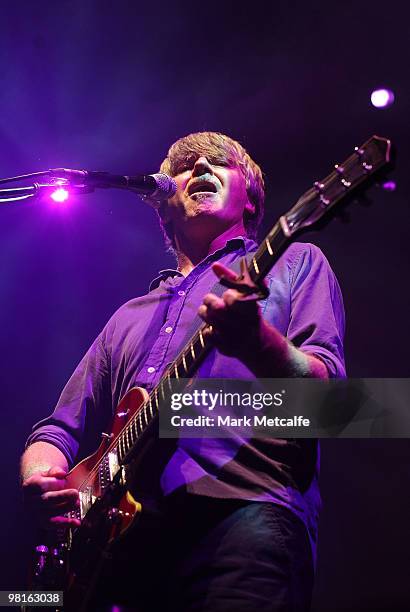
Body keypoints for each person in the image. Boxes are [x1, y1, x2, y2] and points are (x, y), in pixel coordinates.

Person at [21, 132, 345, 611]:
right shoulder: (129, 314)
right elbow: (57, 430)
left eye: (219, 164)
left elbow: (336, 407)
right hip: (121, 550)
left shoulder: (294, 264)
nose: (200, 171)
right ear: (162, 204)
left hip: (245, 516)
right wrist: (42, 473)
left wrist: (259, 344)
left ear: (251, 201)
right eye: (186, 166)